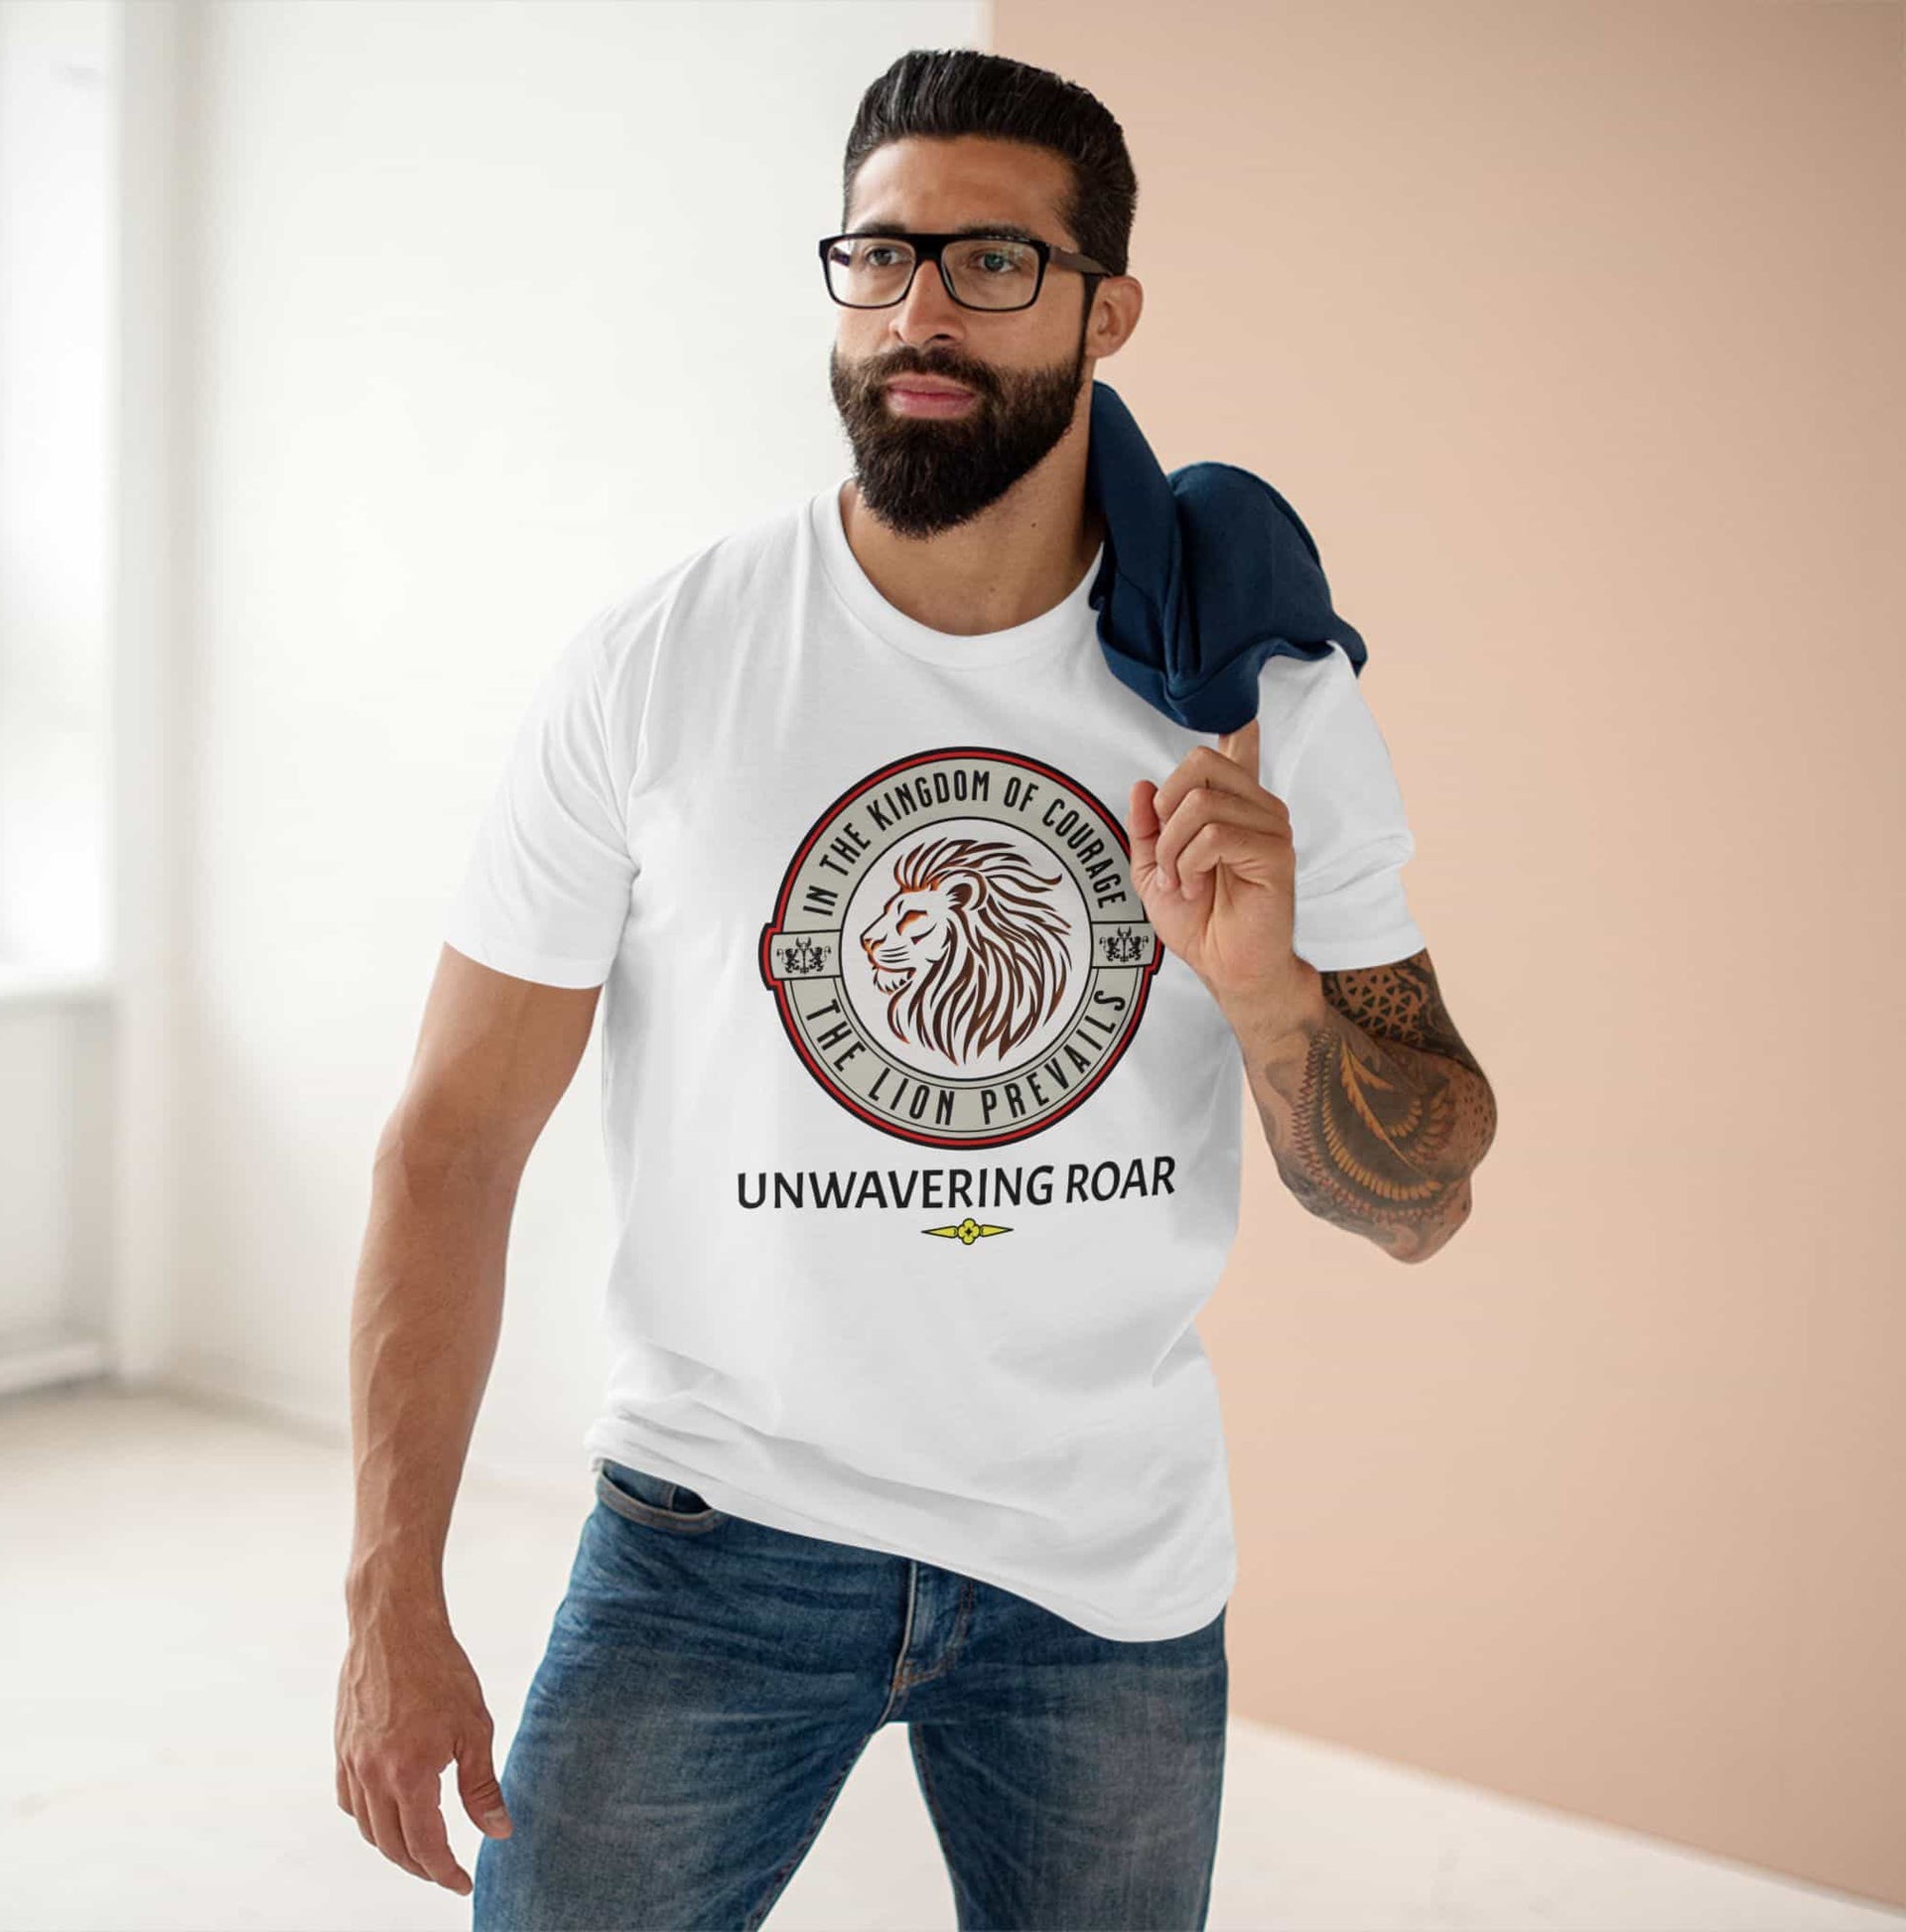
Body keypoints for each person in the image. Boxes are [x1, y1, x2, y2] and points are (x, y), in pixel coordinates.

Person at [334, 46, 1497, 1932]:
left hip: (1100, 1573)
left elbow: (1422, 1197)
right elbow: (452, 1142)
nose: (918, 311)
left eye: (992, 262)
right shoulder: (662, 663)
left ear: (1108, 311)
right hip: (714, 1536)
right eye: (878, 257)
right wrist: (389, 1599)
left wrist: (1267, 989)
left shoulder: (1254, 696)